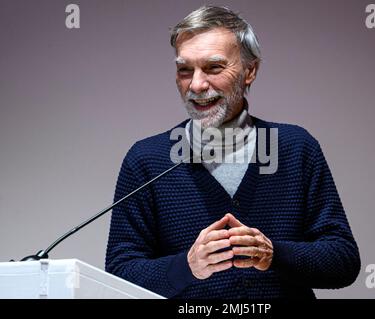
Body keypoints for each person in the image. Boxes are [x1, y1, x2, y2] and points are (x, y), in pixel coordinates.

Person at [105, 5, 360, 299]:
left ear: (250, 71)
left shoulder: (295, 148)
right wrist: (187, 266)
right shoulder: (147, 160)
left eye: (213, 67)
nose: (197, 85)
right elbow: (119, 273)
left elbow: (343, 261)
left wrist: (274, 254)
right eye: (185, 69)